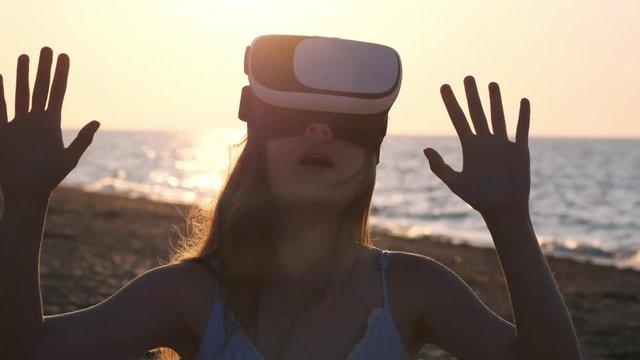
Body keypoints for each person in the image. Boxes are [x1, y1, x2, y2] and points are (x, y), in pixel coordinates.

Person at [0, 36, 582, 360]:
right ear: (256, 139)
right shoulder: (187, 294)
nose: (319, 131)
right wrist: (24, 202)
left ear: (373, 154)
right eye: (296, 117)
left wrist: (509, 221)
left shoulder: (412, 289)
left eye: (343, 123)